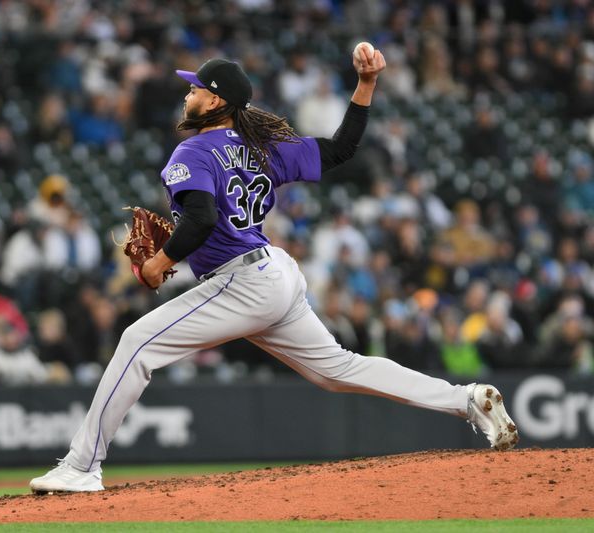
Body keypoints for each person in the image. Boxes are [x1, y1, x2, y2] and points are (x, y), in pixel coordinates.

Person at [30, 48, 518, 493]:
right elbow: (342, 148)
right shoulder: (261, 148)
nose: (188, 92)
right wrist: (365, 85)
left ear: (217, 102)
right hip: (274, 275)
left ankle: (81, 466)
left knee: (137, 342)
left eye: (197, 88)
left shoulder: (193, 152)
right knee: (338, 369)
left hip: (243, 281)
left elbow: (199, 218)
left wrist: (159, 263)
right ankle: (467, 399)